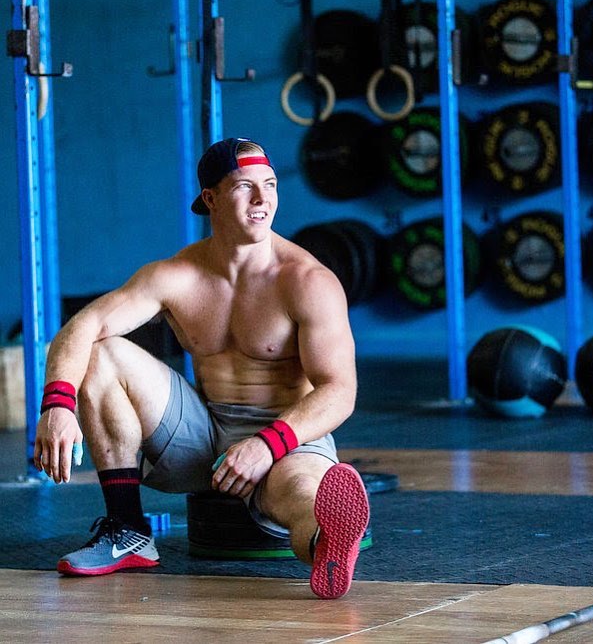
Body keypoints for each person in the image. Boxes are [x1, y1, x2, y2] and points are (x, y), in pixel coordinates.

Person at [34, 137, 370, 599]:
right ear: (210, 198)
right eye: (245, 186)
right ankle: (128, 531)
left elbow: (340, 391)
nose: (262, 199)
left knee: (302, 495)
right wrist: (57, 404)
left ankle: (327, 540)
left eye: (270, 185)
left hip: (287, 436)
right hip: (200, 432)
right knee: (103, 348)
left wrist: (266, 445)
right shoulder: (176, 275)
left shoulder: (308, 281)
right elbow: (83, 325)